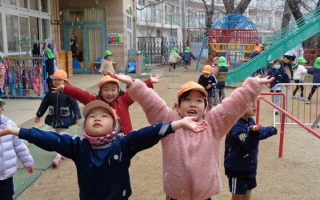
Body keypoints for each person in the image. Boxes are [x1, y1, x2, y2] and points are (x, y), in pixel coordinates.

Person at [108, 71, 274, 200]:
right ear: (177, 106)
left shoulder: (214, 124)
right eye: (187, 99)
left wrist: (252, 87)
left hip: (204, 194)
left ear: (206, 107)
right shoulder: (169, 124)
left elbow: (232, 105)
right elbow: (152, 103)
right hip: (176, 194)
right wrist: (133, 84)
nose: (193, 104)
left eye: (199, 100)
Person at [0, 100, 207, 200]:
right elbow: (50, 139)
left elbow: (149, 133)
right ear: (85, 125)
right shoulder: (78, 147)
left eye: (104, 115)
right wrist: (16, 131)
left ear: (115, 126)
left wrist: (177, 125)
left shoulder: (122, 144)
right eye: (91, 116)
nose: (97, 118)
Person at [52, 74, 161, 135]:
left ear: (119, 90)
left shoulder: (124, 100)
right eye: (106, 90)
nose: (109, 93)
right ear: (100, 91)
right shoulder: (95, 102)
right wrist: (65, 88)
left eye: (113, 89)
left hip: (122, 135)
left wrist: (149, 82)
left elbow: (137, 91)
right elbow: (81, 94)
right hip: (104, 136)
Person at [224, 96, 277, 200]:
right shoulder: (236, 126)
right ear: (240, 107)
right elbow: (247, 144)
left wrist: (271, 130)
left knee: (247, 195)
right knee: (237, 196)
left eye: (254, 103)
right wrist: (253, 133)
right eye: (251, 103)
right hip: (237, 169)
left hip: (249, 167)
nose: (254, 106)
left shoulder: (250, 121)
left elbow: (258, 133)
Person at [35, 70, 82, 167]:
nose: (56, 82)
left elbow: (74, 105)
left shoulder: (68, 92)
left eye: (59, 80)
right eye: (54, 80)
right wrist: (39, 115)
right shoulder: (50, 92)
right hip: (54, 119)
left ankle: (58, 156)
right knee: (58, 134)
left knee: (60, 136)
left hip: (64, 119)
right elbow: (44, 104)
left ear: (64, 81)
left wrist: (78, 117)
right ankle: (66, 149)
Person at [0, 98, 34, 200]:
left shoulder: (9, 125)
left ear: (2, 109)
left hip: (6, 174)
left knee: (6, 196)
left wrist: (27, 161)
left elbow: (19, 145)